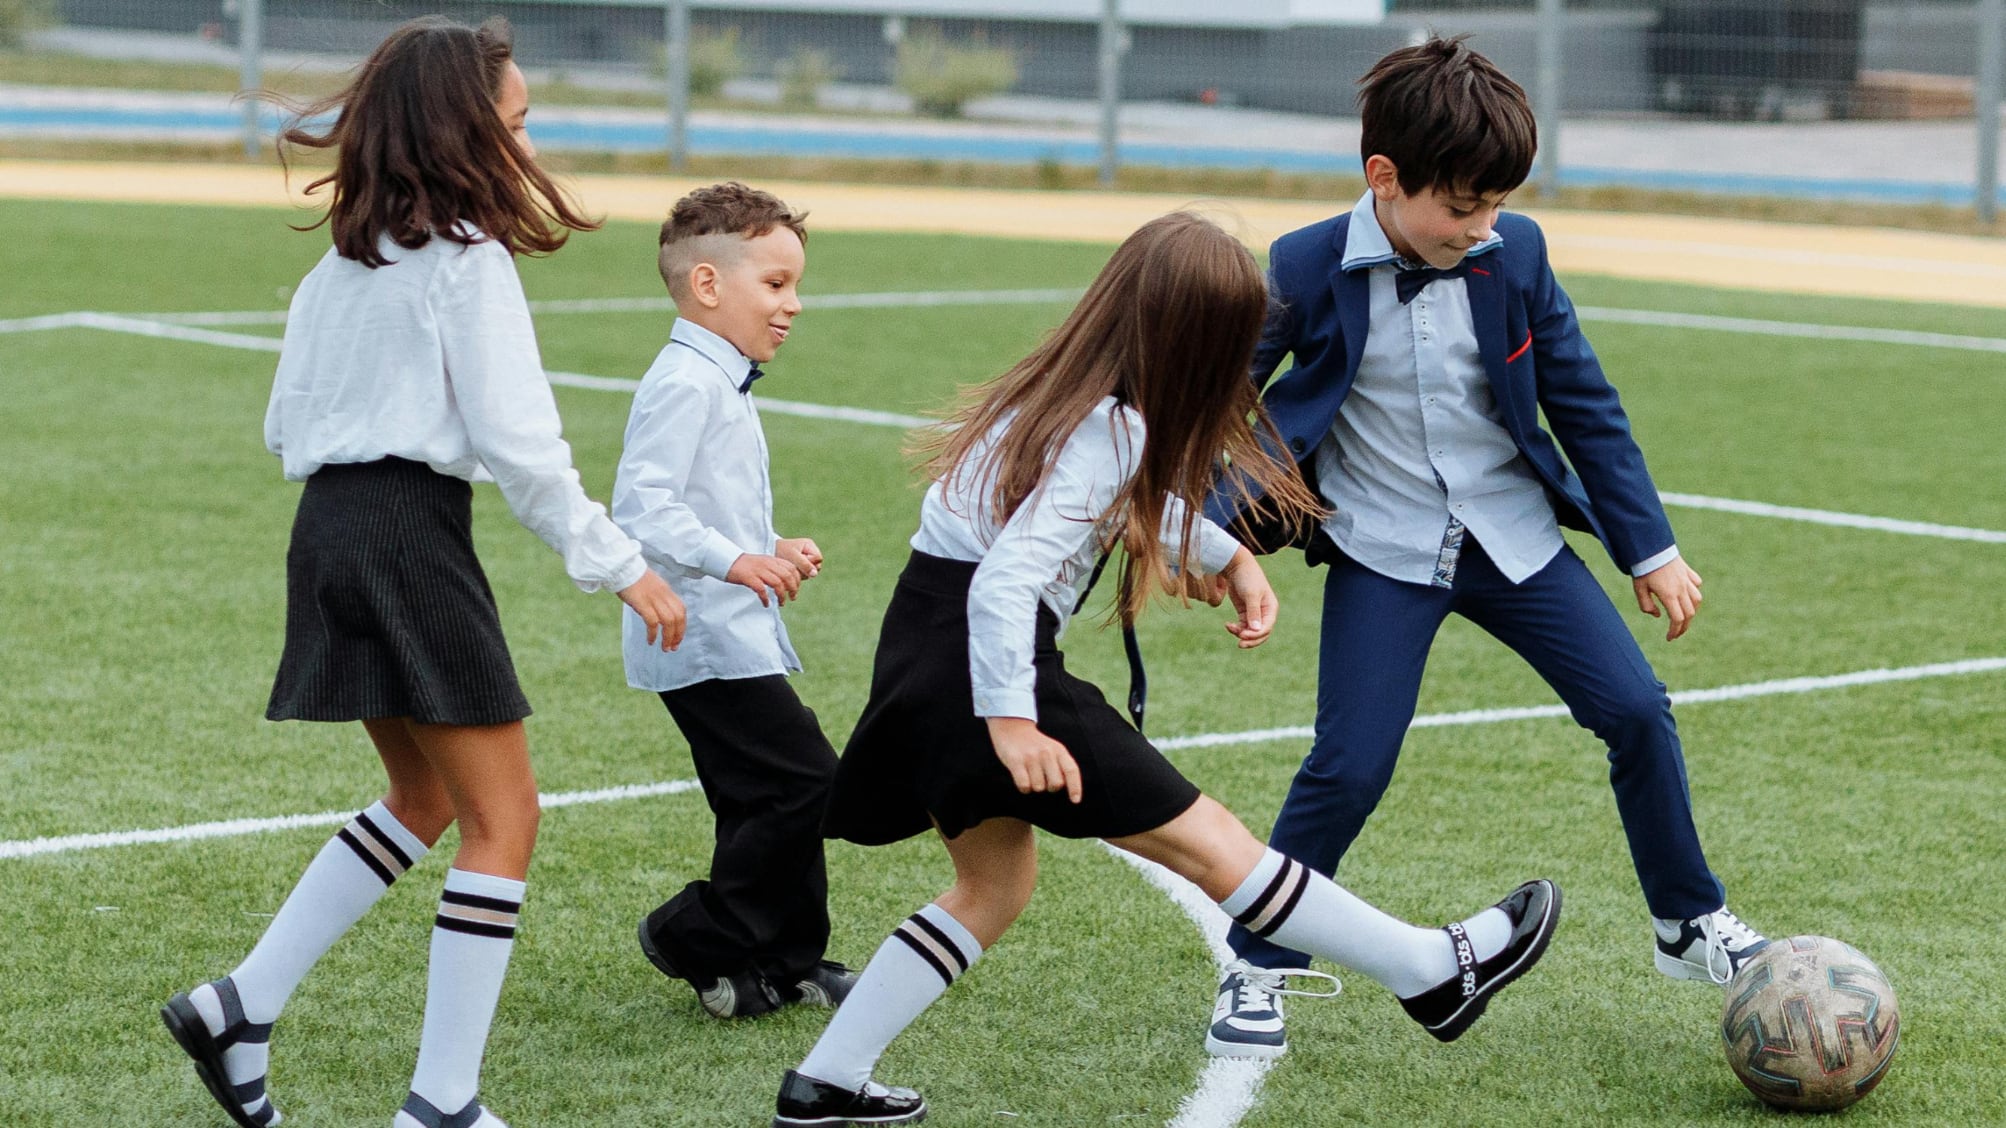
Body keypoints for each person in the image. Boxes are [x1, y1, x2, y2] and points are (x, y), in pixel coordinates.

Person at [770, 212, 1562, 1128]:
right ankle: (1431, 973)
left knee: (993, 887)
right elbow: (1005, 582)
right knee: (1212, 841)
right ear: (1191, 345)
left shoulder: (1066, 400)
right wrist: (1013, 721)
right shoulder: (1109, 427)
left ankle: (826, 1081)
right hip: (987, 663)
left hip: (922, 653)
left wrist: (1227, 554)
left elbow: (1111, 510)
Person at [158, 18, 684, 1128]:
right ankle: (443, 1104)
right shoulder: (466, 261)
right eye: (519, 122)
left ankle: (240, 1006)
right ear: (464, 131)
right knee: (507, 819)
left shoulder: (337, 268)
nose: (531, 144)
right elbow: (522, 443)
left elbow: (281, 422)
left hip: (327, 534)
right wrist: (619, 564)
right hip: (407, 532)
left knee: (427, 797)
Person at [1199, 36, 1767, 1061]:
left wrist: (1647, 549)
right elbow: (1220, 404)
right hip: (1379, 546)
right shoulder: (1303, 264)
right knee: (1349, 763)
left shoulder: (1517, 255)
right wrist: (1200, 535)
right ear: (1383, 177)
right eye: (1461, 208)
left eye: (1496, 205)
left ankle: (1685, 922)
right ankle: (1257, 960)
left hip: (1507, 538)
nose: (1481, 228)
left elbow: (1583, 404)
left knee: (1636, 710)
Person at [615, 181, 856, 1020]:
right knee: (809, 783)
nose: (794, 304)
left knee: (759, 799)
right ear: (709, 286)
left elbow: (705, 504)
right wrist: (733, 561)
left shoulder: (723, 377)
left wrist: (769, 547)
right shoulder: (688, 382)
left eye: (795, 285)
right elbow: (643, 506)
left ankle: (778, 965)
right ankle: (695, 933)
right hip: (702, 638)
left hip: (726, 629)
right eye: (777, 285)